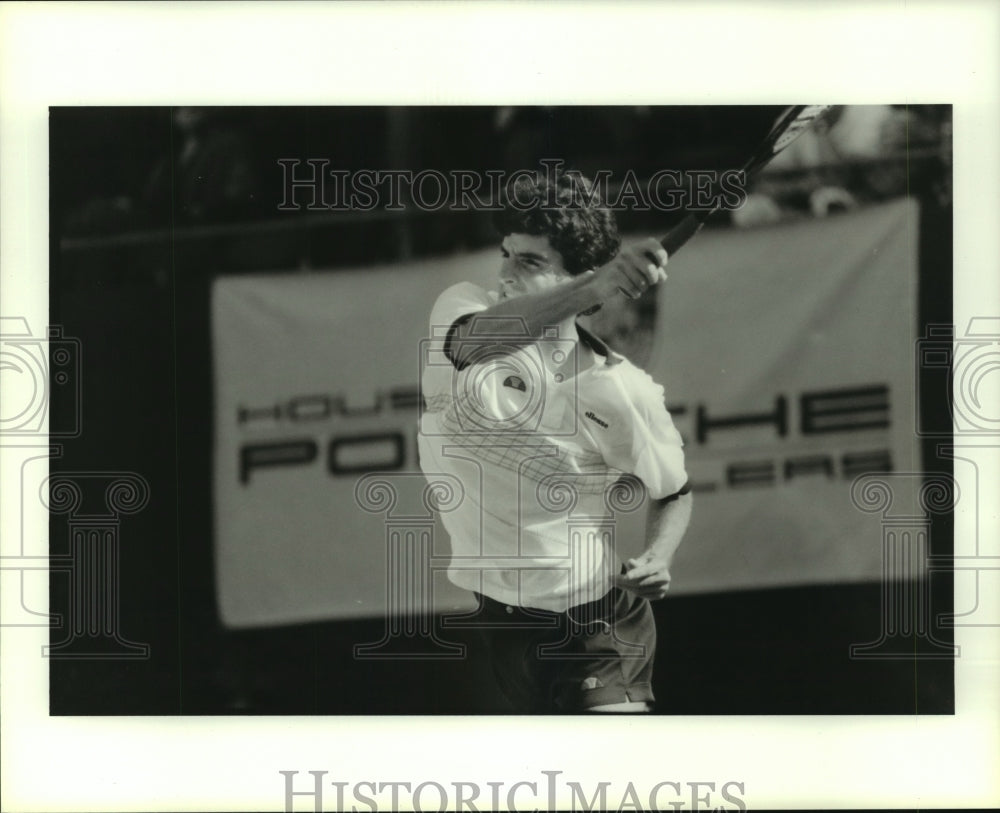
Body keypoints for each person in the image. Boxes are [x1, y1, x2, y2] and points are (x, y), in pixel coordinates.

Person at [417, 171, 692, 712]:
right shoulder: (463, 306)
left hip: (595, 625)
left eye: (529, 262)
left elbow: (673, 490)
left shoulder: (622, 391)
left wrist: (659, 555)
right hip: (503, 623)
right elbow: (476, 346)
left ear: (582, 275)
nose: (504, 274)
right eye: (505, 253)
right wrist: (594, 286)